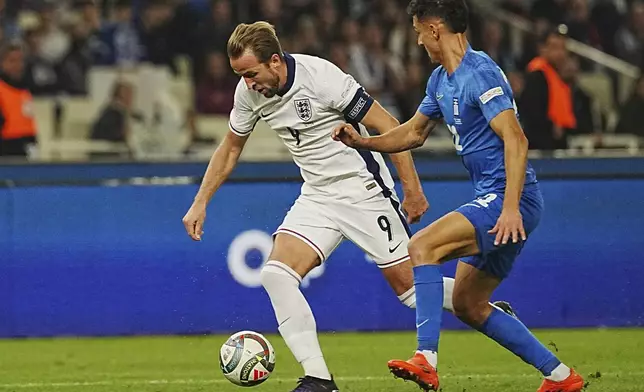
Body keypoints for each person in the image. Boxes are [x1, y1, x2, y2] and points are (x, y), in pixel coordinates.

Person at [182, 21, 515, 392]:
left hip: (363, 190)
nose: (247, 84)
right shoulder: (249, 96)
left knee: (411, 293)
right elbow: (230, 148)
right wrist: (200, 202)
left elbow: (385, 123)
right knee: (276, 275)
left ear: (275, 61)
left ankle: (486, 309)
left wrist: (411, 187)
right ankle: (319, 380)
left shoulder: (321, 76)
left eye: (250, 73)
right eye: (240, 76)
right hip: (317, 195)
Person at [332, 1, 584, 392]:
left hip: (508, 198)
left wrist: (511, 207)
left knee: (422, 248)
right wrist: (363, 140)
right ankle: (561, 377)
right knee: (468, 304)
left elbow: (516, 140)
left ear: (435, 29)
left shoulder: (480, 73)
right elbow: (412, 133)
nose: (417, 40)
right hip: (499, 200)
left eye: (418, 31)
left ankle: (426, 360)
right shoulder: (440, 80)